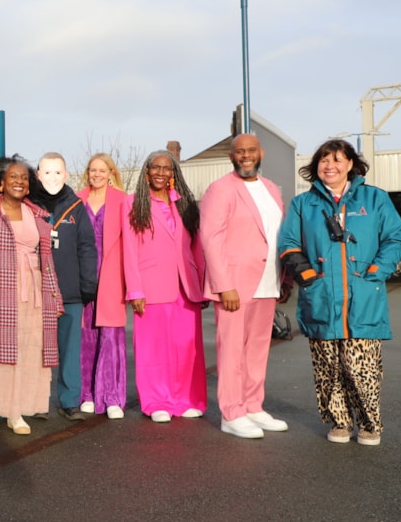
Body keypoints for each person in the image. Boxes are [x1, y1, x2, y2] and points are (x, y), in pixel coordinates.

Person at [279, 139, 401, 446]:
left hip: (363, 298)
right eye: (324, 160)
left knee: (362, 368)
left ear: (351, 164)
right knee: (329, 368)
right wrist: (309, 276)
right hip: (321, 297)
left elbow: (395, 239)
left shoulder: (374, 199)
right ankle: (340, 421)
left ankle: (370, 424)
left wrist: (376, 272)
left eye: (337, 160)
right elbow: (289, 245)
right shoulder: (303, 204)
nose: (330, 166)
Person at [0, 155, 65, 438]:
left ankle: (15, 410)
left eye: (24, 178)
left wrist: (54, 299)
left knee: (26, 353)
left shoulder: (38, 216)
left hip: (33, 293)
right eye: (13, 177)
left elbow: (47, 262)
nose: (19, 182)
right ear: (1, 183)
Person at [199, 134, 292, 439]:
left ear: (260, 153)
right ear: (232, 156)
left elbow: (280, 234)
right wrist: (223, 285)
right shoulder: (220, 189)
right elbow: (210, 239)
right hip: (235, 286)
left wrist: (285, 279)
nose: (246, 156)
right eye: (240, 152)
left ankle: (253, 406)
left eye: (251, 150)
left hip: (267, 281)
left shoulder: (270, 190)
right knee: (232, 351)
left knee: (257, 350)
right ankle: (232, 413)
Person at [121, 150, 207, 423]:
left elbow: (198, 247)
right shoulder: (132, 204)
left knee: (186, 348)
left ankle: (186, 399)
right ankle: (157, 400)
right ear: (147, 172)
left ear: (174, 174)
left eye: (166, 168)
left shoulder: (185, 205)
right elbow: (129, 250)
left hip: (186, 286)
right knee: (153, 349)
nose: (160, 172)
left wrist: (203, 285)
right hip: (151, 286)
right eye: (155, 168)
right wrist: (135, 289)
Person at [28, 152, 97, 422]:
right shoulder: (28, 205)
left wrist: (88, 284)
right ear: (38, 175)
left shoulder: (77, 207)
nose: (53, 177)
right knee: (35, 348)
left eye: (58, 172)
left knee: (69, 350)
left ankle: (69, 401)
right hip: (35, 292)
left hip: (70, 292)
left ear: (66, 175)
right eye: (47, 172)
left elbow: (87, 248)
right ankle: (34, 401)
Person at [77, 153, 129, 420]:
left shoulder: (122, 200)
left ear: (110, 172)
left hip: (112, 274)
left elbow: (131, 244)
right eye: (92, 170)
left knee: (111, 335)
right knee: (87, 335)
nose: (96, 174)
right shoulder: (77, 199)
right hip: (84, 274)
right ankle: (86, 394)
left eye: (101, 170)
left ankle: (112, 397)